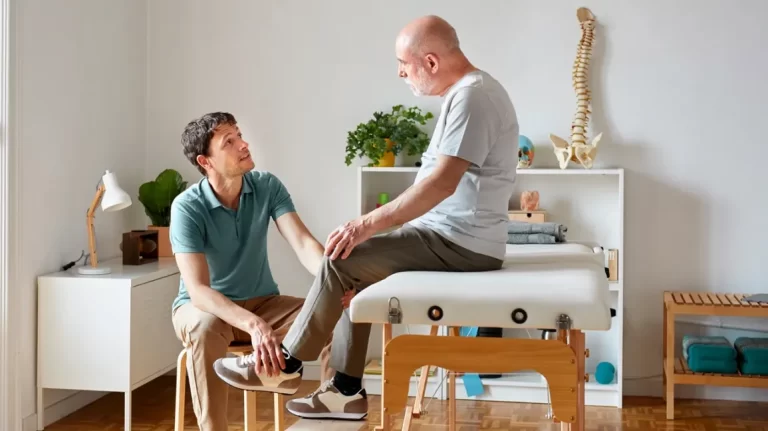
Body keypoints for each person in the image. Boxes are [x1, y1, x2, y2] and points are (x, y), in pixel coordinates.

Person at [213, 14, 519, 421]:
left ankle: (284, 364)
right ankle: (344, 391)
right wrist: (373, 236)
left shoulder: (472, 97)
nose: (399, 73)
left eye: (403, 64)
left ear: (430, 62)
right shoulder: (465, 94)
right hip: (450, 236)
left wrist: (366, 225)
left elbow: (441, 185)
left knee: (341, 260)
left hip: (460, 243)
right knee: (352, 269)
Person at [169, 111, 336, 431]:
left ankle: (331, 420)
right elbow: (198, 291)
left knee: (330, 315)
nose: (243, 145)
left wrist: (334, 283)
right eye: (228, 142)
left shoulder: (266, 186)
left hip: (263, 303)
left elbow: (303, 244)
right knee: (205, 327)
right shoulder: (187, 207)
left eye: (240, 135)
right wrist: (253, 324)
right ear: (206, 162)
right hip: (204, 308)